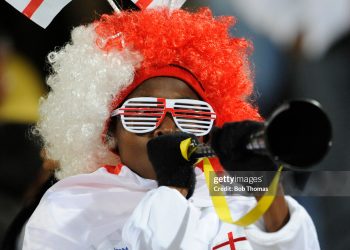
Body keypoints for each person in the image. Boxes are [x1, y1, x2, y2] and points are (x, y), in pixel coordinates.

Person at [23, 7, 319, 249]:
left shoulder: (234, 197)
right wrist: (173, 188)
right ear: (109, 133)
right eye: (143, 113)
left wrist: (268, 189)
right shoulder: (69, 209)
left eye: (190, 115)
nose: (167, 128)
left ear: (209, 129)